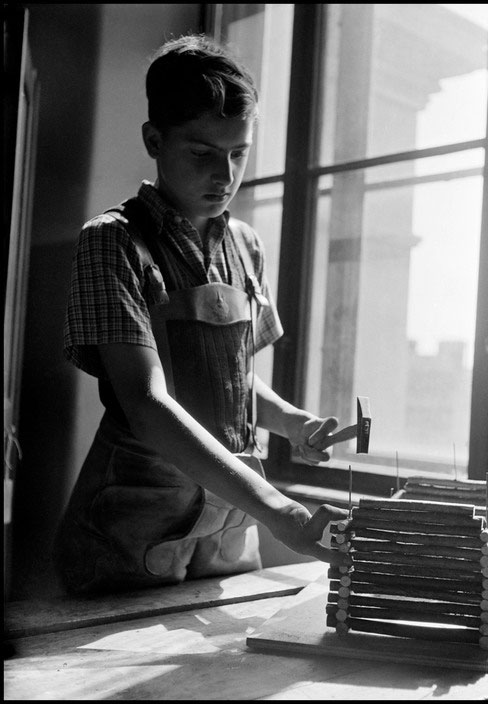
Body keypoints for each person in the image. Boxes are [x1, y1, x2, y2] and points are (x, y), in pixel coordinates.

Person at [54, 33, 348, 595]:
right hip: (131, 531)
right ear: (153, 140)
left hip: (228, 531)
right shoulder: (113, 242)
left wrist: (291, 422)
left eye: (239, 153)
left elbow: (230, 377)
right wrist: (280, 510)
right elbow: (146, 402)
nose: (225, 174)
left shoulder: (247, 245)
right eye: (202, 152)